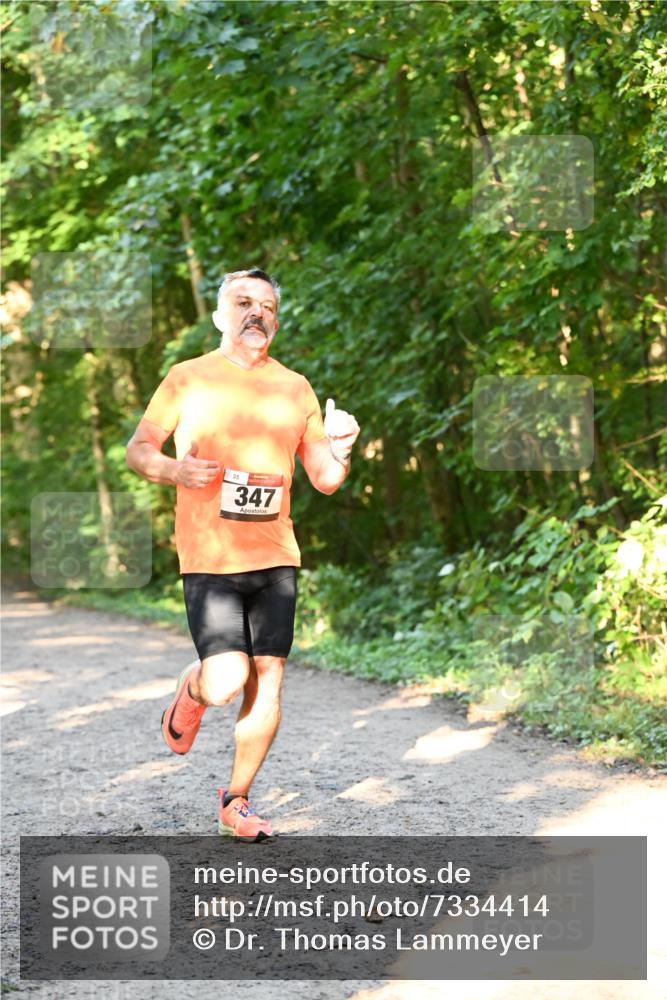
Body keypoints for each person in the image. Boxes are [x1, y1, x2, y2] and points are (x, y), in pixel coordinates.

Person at [125, 268, 360, 841]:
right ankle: (195, 689)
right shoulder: (188, 378)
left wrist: (344, 447)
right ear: (220, 316)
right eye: (244, 302)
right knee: (227, 678)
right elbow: (139, 450)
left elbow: (326, 479)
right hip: (209, 555)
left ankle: (236, 800)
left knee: (268, 679)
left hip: (276, 554)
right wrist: (175, 468)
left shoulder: (295, 387)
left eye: (268, 305)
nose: (257, 312)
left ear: (276, 320)